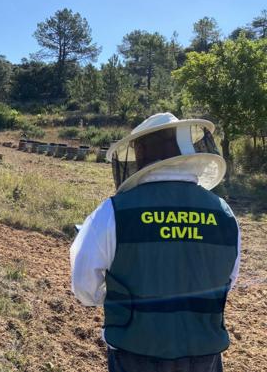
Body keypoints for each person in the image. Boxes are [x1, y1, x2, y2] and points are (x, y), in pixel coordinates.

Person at [70, 113, 241, 372]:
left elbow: (84, 287)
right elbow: (228, 278)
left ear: (140, 153)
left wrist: (116, 297)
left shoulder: (113, 212)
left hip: (134, 353)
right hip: (204, 355)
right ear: (185, 149)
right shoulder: (224, 214)